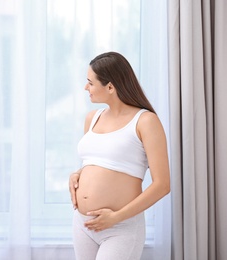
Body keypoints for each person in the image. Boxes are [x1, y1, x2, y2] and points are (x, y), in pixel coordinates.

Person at [69, 52, 170, 260]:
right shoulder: (92, 118)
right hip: (83, 223)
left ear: (110, 87)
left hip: (121, 226)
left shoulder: (145, 121)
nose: (85, 88)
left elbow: (162, 185)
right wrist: (78, 174)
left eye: (90, 82)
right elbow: (99, 161)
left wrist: (116, 217)